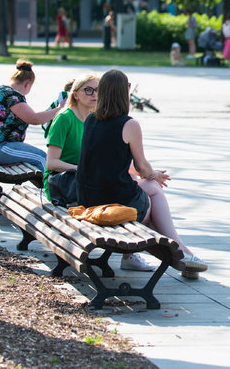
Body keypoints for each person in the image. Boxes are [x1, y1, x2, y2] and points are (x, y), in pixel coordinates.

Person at [76, 69, 207, 276]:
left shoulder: (91, 120)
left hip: (89, 199)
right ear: (124, 91)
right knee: (154, 190)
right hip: (114, 203)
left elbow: (110, 161)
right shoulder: (129, 124)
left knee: (150, 197)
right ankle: (181, 251)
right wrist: (154, 174)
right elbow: (141, 167)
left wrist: (149, 174)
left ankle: (182, 256)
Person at [0, 60, 62, 170]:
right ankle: (52, 186)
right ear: (27, 84)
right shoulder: (12, 96)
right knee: (42, 157)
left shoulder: (1, 90)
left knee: (37, 155)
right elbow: (34, 119)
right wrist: (60, 109)